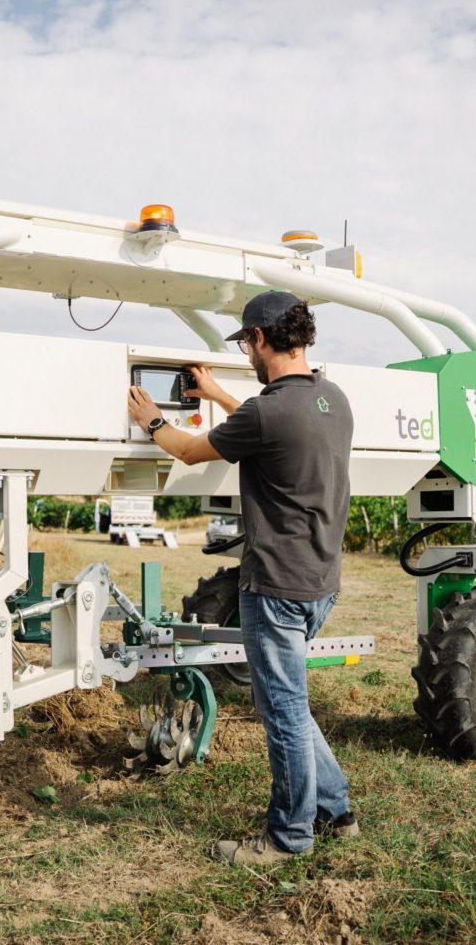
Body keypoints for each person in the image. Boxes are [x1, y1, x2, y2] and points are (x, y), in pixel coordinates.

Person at [126, 289, 358, 866]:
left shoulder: (266, 413)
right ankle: (337, 810)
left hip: (275, 586)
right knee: (293, 702)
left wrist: (151, 418)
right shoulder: (333, 400)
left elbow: (185, 450)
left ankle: (287, 838)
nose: (245, 354)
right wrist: (220, 394)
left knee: (281, 711)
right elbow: (270, 426)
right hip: (320, 582)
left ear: (259, 338)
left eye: (244, 343)